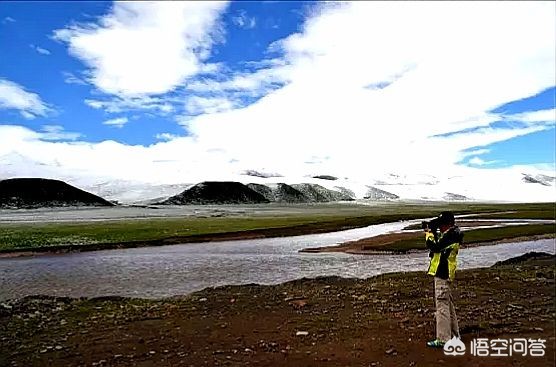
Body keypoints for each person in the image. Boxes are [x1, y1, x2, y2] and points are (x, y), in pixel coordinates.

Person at [424, 211, 463, 348]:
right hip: (445, 274)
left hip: (442, 274)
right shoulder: (453, 234)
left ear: (448, 224)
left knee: (442, 307)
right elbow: (438, 247)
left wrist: (429, 233)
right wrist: (434, 230)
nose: (440, 228)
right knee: (448, 305)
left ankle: (443, 339)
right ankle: (454, 335)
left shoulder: (450, 236)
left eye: (441, 225)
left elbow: (435, 247)